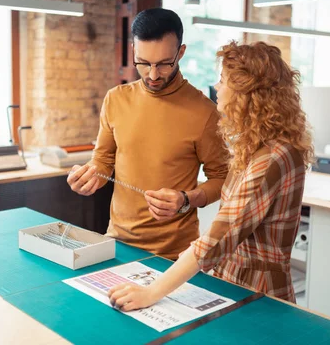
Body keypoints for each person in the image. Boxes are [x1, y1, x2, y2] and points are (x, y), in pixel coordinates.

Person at [107, 41, 314, 309]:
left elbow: (222, 233)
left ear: (247, 93)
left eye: (223, 80)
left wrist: (150, 293)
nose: (217, 87)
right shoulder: (254, 145)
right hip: (230, 279)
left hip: (260, 293)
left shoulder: (274, 157)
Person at [67, 8, 229, 260]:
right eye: (143, 63)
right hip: (116, 244)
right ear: (133, 50)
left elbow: (222, 179)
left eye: (164, 63)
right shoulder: (115, 99)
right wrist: (89, 178)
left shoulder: (205, 112)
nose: (153, 74)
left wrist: (186, 199)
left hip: (175, 255)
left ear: (181, 53)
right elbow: (103, 161)